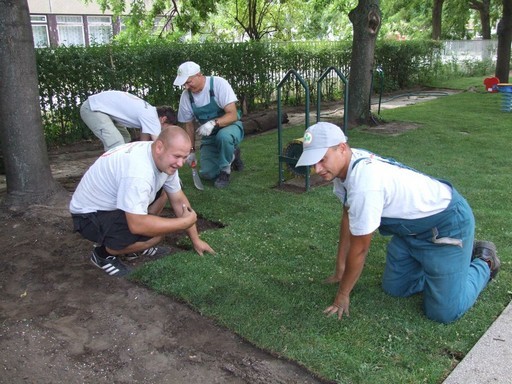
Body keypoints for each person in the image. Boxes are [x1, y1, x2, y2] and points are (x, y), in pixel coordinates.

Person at [295, 121, 500, 324]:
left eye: (322, 159)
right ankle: (439, 267)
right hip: (412, 234)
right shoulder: (344, 168)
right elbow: (348, 217)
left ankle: (483, 261)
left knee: (444, 312)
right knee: (395, 289)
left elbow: (360, 249)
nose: (317, 169)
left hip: (448, 225)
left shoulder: (365, 184)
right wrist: (340, 270)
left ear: (341, 148)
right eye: (313, 163)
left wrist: (343, 295)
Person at [70, 125, 215, 277]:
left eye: (184, 157)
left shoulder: (161, 158)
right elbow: (137, 224)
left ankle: (135, 246)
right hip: (88, 216)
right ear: (159, 147)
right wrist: (182, 223)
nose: (180, 163)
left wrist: (196, 240)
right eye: (177, 156)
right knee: (156, 236)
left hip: (112, 204)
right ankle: (103, 255)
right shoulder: (139, 172)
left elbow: (179, 200)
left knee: (165, 192)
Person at [174, 61, 244, 189]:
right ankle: (233, 155)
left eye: (189, 82)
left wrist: (213, 123)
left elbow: (232, 115)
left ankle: (225, 171)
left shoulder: (218, 84)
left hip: (230, 127)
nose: (186, 87)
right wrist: (190, 150)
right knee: (208, 174)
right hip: (209, 135)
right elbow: (188, 125)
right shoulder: (186, 97)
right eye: (184, 84)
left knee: (224, 137)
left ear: (199, 75)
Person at [80, 90, 177, 151]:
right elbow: (159, 145)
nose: (165, 132)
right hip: (93, 108)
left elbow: (143, 143)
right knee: (117, 144)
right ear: (163, 119)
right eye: (167, 128)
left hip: (104, 110)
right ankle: (113, 176)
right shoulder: (152, 117)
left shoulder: (149, 112)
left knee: (125, 138)